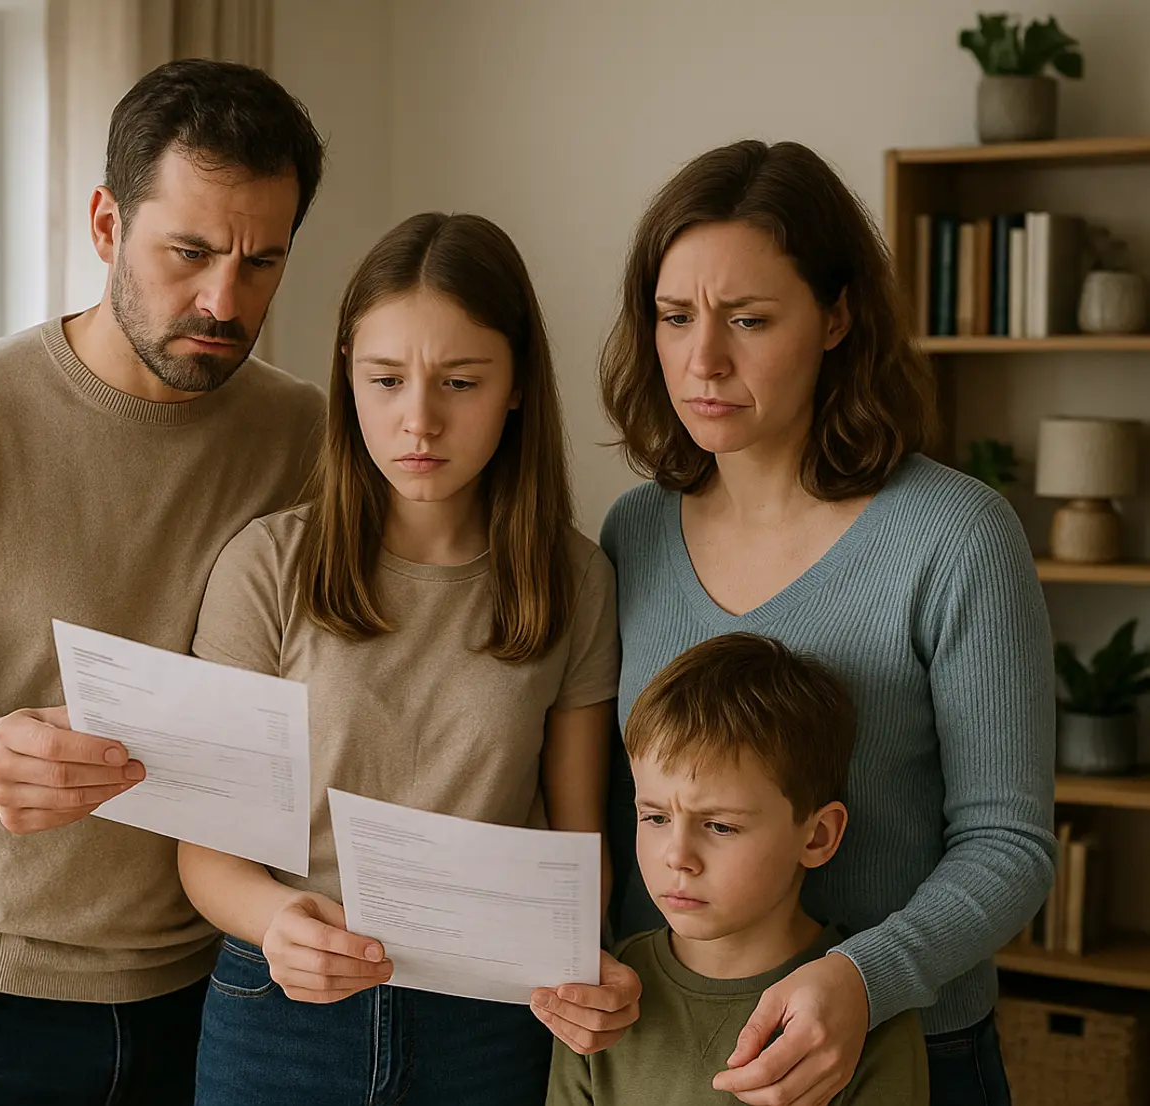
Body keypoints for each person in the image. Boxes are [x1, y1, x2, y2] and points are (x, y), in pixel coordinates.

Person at [0, 59, 327, 1106]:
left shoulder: (305, 435)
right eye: (189, 252)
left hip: (212, 991)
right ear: (105, 225)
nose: (224, 300)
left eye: (262, 261)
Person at [598, 139, 1053, 1106]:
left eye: (748, 319)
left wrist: (861, 978)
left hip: (909, 1053)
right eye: (674, 318)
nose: (703, 360)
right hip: (665, 1055)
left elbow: (1009, 845)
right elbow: (617, 806)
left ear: (837, 317)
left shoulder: (956, 536)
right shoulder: (633, 531)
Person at [179, 211, 640, 1106]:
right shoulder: (267, 566)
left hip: (492, 1021)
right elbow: (205, 854)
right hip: (283, 1012)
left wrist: (587, 964)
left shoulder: (574, 580)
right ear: (347, 375)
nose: (418, 420)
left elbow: (577, 842)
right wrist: (276, 922)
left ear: (516, 384)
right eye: (385, 380)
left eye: (460, 382)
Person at [547, 632, 929, 1104]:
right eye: (656, 818)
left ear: (817, 836)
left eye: (720, 826)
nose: (677, 856)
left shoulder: (865, 1016)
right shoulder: (599, 1000)